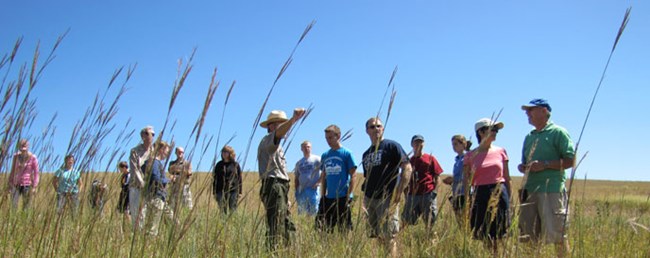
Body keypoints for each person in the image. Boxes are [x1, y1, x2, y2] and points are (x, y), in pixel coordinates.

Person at [518, 99, 575, 257]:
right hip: (530, 191)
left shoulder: (558, 132)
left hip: (551, 191)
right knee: (528, 236)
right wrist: (523, 167)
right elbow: (525, 162)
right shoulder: (529, 137)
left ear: (544, 111)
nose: (527, 114)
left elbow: (571, 160)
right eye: (526, 111)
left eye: (531, 110)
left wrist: (546, 165)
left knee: (558, 235)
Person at [361, 117, 412, 257]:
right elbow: (367, 178)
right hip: (370, 199)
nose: (376, 129)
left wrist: (399, 191)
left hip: (387, 198)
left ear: (383, 129)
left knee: (390, 236)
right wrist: (364, 201)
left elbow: (407, 168)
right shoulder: (366, 154)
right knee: (376, 236)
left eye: (379, 126)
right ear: (367, 131)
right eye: (372, 127)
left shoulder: (392, 146)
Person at [257, 108, 305, 251]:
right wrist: (293, 119)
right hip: (274, 185)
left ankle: (287, 251)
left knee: (286, 223)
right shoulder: (268, 140)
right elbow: (278, 133)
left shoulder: (278, 146)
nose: (283, 127)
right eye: (279, 124)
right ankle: (273, 252)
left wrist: (285, 197)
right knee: (276, 224)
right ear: (271, 126)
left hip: (280, 187)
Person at [463, 118, 512, 255]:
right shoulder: (470, 155)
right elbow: (467, 181)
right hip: (480, 193)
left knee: (500, 231)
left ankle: (501, 254)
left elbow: (507, 178)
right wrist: (467, 201)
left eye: (497, 130)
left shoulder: (501, 151)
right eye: (493, 129)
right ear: (481, 132)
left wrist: (511, 198)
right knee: (485, 232)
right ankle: (491, 254)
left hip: (499, 191)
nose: (496, 132)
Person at [319, 125, 357, 233]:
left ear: (338, 136)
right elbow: (324, 177)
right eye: (326, 138)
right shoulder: (325, 155)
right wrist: (322, 195)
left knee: (345, 227)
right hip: (329, 197)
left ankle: (347, 249)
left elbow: (353, 175)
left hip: (343, 196)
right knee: (325, 228)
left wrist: (349, 194)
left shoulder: (347, 153)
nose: (328, 141)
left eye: (330, 138)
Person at [402, 135, 443, 230]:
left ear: (424, 144)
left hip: (428, 193)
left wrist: (434, 192)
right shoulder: (409, 161)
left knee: (430, 222)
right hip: (412, 195)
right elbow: (404, 178)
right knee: (406, 220)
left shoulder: (430, 158)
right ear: (412, 144)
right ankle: (406, 240)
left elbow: (437, 176)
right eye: (416, 142)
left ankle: (431, 239)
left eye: (420, 142)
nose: (418, 144)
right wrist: (406, 194)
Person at [143, 140, 179, 236]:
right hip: (156, 198)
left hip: (161, 198)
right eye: (166, 151)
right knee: (153, 228)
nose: (167, 154)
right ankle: (150, 243)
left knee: (174, 221)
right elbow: (155, 178)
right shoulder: (154, 162)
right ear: (161, 150)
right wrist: (169, 180)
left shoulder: (155, 162)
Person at [128, 126, 155, 228]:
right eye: (148, 134)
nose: (151, 136)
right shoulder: (135, 151)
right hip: (136, 187)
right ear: (142, 136)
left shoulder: (154, 151)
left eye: (153, 134)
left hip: (150, 189)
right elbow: (134, 169)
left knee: (150, 216)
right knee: (137, 217)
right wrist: (143, 184)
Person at [442, 135, 472, 224]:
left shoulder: (467, 158)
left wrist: (453, 179)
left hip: (465, 192)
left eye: (456, 144)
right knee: (460, 221)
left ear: (463, 144)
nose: (454, 147)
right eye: (452, 145)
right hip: (457, 193)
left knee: (466, 220)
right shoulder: (457, 161)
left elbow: (469, 176)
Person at [7, 139, 40, 210]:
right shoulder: (15, 156)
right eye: (21, 147)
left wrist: (34, 186)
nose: (23, 150)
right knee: (13, 206)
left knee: (26, 206)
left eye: (25, 147)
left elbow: (36, 173)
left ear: (28, 147)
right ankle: (13, 220)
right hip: (16, 184)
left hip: (27, 184)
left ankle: (24, 220)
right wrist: (10, 183)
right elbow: (13, 170)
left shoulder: (33, 157)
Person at [293, 141, 321, 216]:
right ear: (301, 149)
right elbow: (296, 177)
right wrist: (297, 191)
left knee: (313, 211)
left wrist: (318, 182)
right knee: (302, 212)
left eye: (308, 147)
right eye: (304, 147)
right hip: (302, 190)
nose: (306, 148)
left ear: (311, 148)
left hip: (313, 190)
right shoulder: (299, 163)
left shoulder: (317, 159)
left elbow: (324, 171)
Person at [213, 145, 243, 214]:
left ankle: (233, 224)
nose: (224, 153)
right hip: (220, 190)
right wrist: (214, 191)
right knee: (222, 211)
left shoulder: (235, 164)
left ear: (230, 153)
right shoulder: (219, 165)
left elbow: (239, 178)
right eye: (223, 152)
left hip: (233, 191)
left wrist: (240, 191)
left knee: (233, 209)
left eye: (226, 152)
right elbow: (215, 178)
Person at [116, 161, 131, 231]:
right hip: (123, 194)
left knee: (126, 212)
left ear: (124, 168)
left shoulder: (129, 175)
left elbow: (128, 186)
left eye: (120, 169)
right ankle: (121, 228)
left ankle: (129, 227)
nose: (120, 170)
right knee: (119, 211)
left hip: (127, 195)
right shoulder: (123, 176)